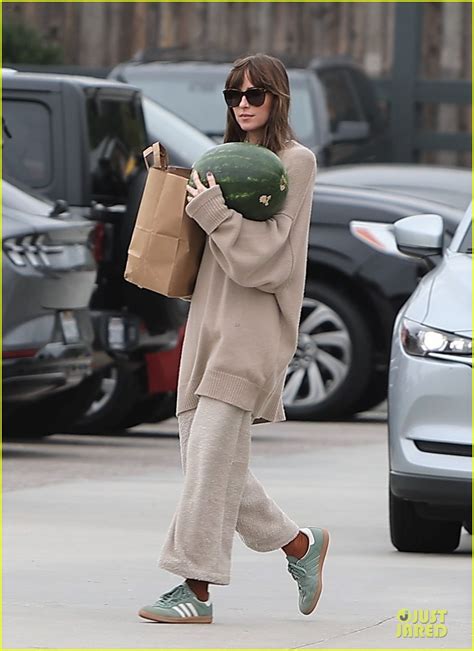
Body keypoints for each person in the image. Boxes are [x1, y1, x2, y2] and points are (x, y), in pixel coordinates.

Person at [138, 53, 330, 625]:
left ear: (278, 99)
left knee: (207, 466)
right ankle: (300, 546)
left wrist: (213, 210)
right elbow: (205, 254)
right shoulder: (222, 163)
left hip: (253, 333)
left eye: (255, 94)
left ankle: (193, 592)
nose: (243, 104)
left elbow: (264, 263)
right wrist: (174, 185)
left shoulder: (296, 163)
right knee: (210, 463)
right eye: (234, 94)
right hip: (207, 326)